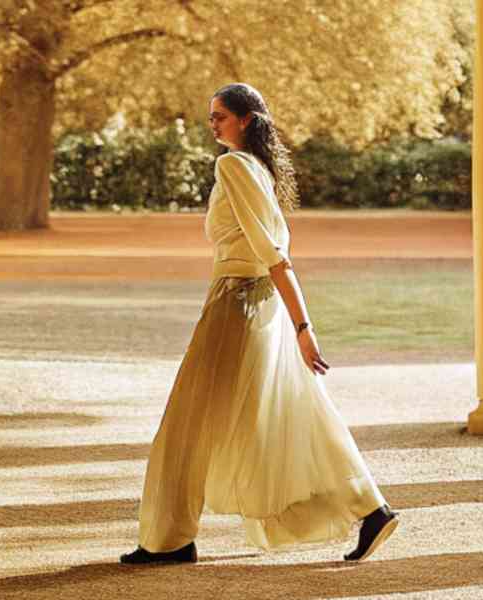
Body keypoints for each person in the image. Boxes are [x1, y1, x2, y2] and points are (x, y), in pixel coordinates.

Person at [120, 83, 398, 566]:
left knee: (186, 425)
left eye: (220, 117)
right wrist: (295, 324)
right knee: (296, 409)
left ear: (247, 119)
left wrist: (304, 325)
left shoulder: (233, 166)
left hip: (238, 304)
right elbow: (273, 252)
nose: (213, 125)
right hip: (256, 304)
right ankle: (371, 508)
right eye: (210, 117)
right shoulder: (258, 170)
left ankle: (169, 540)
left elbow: (273, 254)